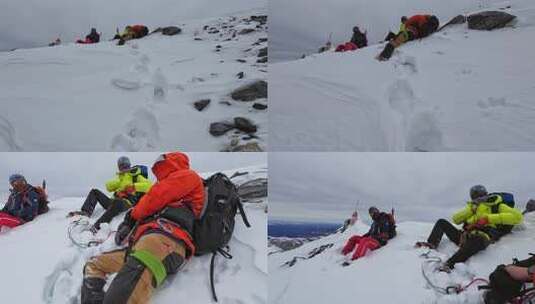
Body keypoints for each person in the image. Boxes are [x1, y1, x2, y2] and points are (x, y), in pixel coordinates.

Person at [81, 152, 205, 304]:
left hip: (164, 241)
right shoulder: (168, 183)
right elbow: (112, 186)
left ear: (170, 163)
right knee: (94, 265)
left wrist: (131, 217)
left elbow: (154, 196)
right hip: (145, 244)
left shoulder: (187, 176)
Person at [415, 185, 523, 272]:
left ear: (486, 194)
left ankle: (450, 263)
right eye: (475, 196)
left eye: (480, 195)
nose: (478, 197)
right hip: (464, 236)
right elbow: (456, 219)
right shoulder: (472, 207)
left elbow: (518, 217)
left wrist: (488, 219)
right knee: (441, 222)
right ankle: (432, 243)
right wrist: (471, 209)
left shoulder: (496, 205)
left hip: (483, 236)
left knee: (475, 241)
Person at [67, 156, 152, 232]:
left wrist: (133, 186)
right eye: (121, 166)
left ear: (129, 165)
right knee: (95, 192)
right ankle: (85, 212)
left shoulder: (136, 176)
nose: (123, 168)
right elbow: (108, 187)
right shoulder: (121, 179)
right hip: (113, 202)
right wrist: (120, 181)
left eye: (125, 165)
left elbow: (149, 186)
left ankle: (96, 227)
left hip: (127, 203)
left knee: (117, 202)